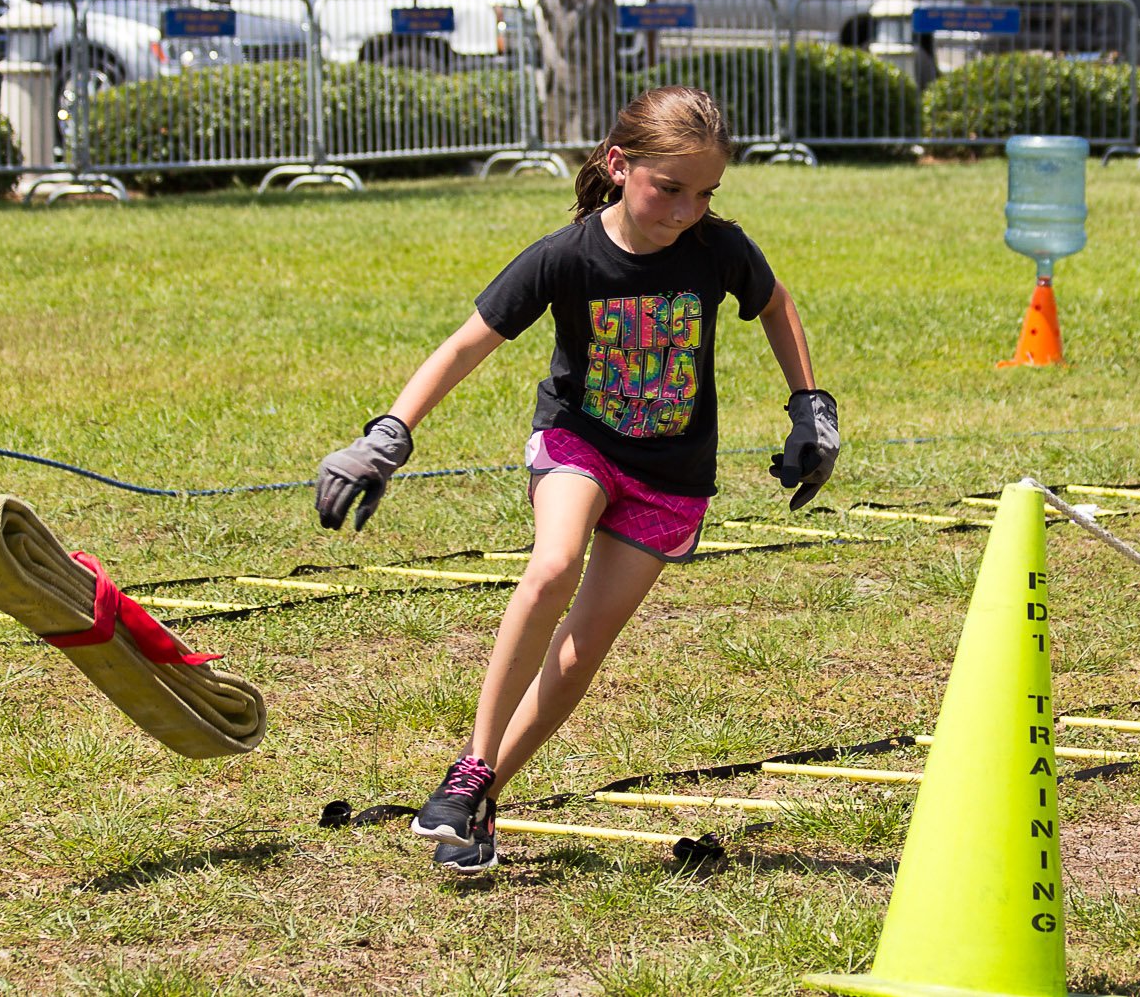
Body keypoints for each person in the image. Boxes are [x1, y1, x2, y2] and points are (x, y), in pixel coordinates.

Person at [314, 86, 837, 876]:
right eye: (670, 189)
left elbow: (775, 303)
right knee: (553, 563)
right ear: (620, 166)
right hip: (578, 442)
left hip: (673, 476)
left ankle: (479, 794)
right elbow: (464, 344)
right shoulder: (565, 255)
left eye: (705, 194)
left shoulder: (718, 248)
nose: (686, 211)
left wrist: (810, 406)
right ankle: (472, 760)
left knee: (584, 644)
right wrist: (389, 434)